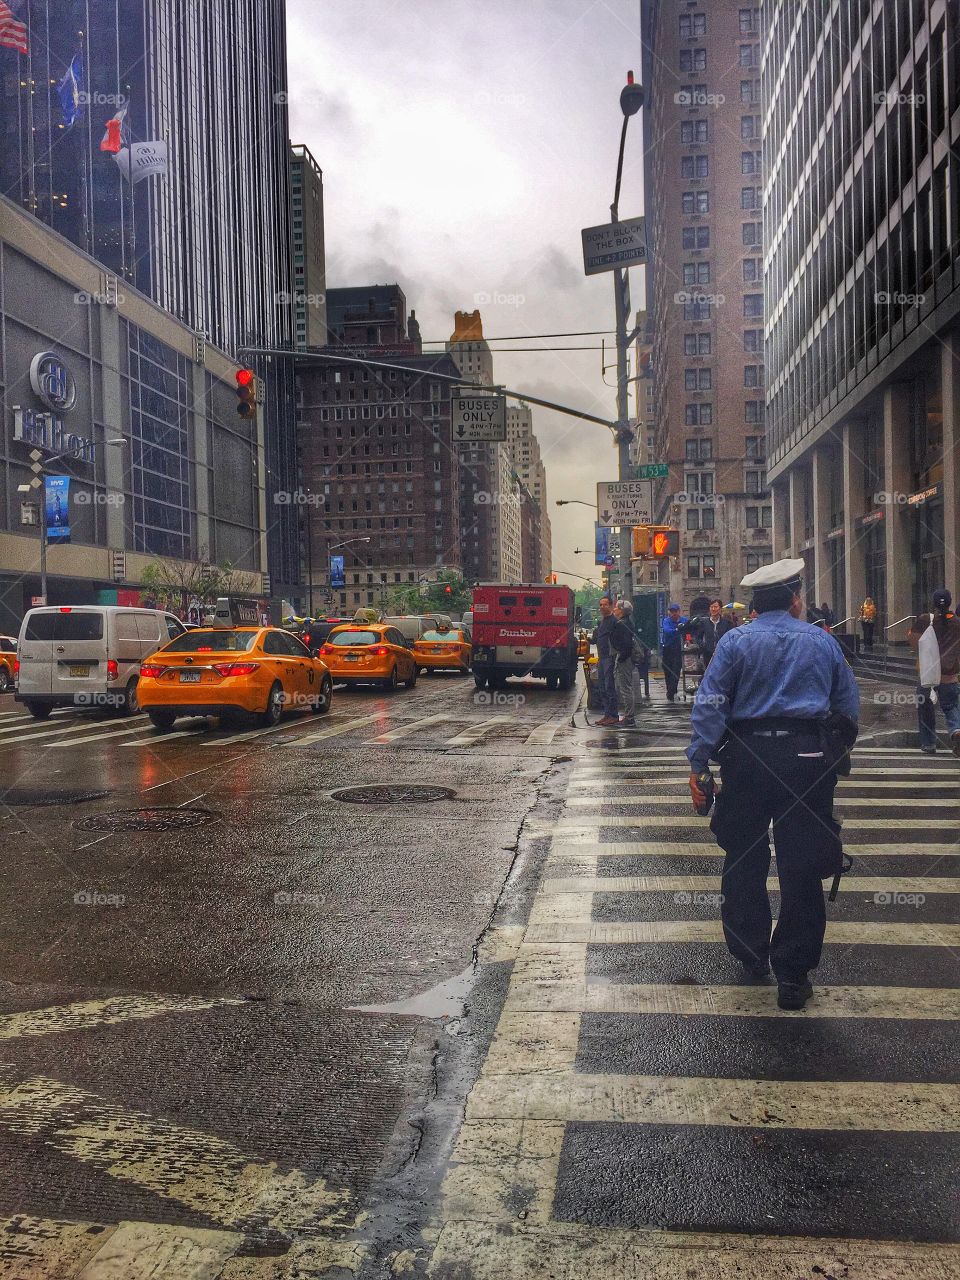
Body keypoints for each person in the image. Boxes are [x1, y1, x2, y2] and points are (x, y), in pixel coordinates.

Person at [687, 557, 860, 1011]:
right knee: (801, 864)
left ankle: (750, 954)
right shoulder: (823, 643)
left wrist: (699, 764)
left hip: (746, 759)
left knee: (743, 856)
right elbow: (847, 707)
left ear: (753, 605)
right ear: (797, 600)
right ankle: (793, 975)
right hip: (807, 760)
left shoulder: (734, 642)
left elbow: (710, 705)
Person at [908, 589, 960, 757]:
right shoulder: (958, 622)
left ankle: (929, 744)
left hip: (927, 674)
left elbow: (913, 641)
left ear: (934, 603)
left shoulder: (924, 620)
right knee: (951, 707)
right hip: (949, 675)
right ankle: (955, 729)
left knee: (925, 709)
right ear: (951, 602)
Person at [611, 599, 646, 726]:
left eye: (616, 607)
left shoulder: (622, 624)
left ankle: (629, 717)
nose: (614, 609)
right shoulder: (626, 623)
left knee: (625, 688)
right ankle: (628, 716)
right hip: (624, 657)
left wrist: (621, 658)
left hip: (624, 659)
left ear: (621, 610)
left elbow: (625, 644)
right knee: (624, 687)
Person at [591, 596, 620, 726]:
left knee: (609, 686)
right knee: (602, 686)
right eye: (601, 605)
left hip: (609, 657)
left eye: (605, 604)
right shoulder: (602, 621)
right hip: (602, 657)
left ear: (611, 605)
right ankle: (607, 714)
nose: (602, 607)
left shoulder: (614, 621)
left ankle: (613, 715)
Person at [660, 603, 688, 701]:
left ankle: (672, 692)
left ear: (678, 611)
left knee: (676, 670)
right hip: (667, 649)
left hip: (678, 649)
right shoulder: (666, 621)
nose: (673, 614)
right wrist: (678, 629)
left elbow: (688, 629)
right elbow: (668, 631)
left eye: (675, 611)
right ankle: (671, 691)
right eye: (671, 612)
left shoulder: (684, 620)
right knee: (667, 671)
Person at [696, 598, 733, 666]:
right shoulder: (704, 622)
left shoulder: (727, 623)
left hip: (722, 654)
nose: (713, 609)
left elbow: (731, 638)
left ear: (720, 609)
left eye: (715, 607)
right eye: (711, 607)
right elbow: (698, 637)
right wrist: (704, 646)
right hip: (708, 655)